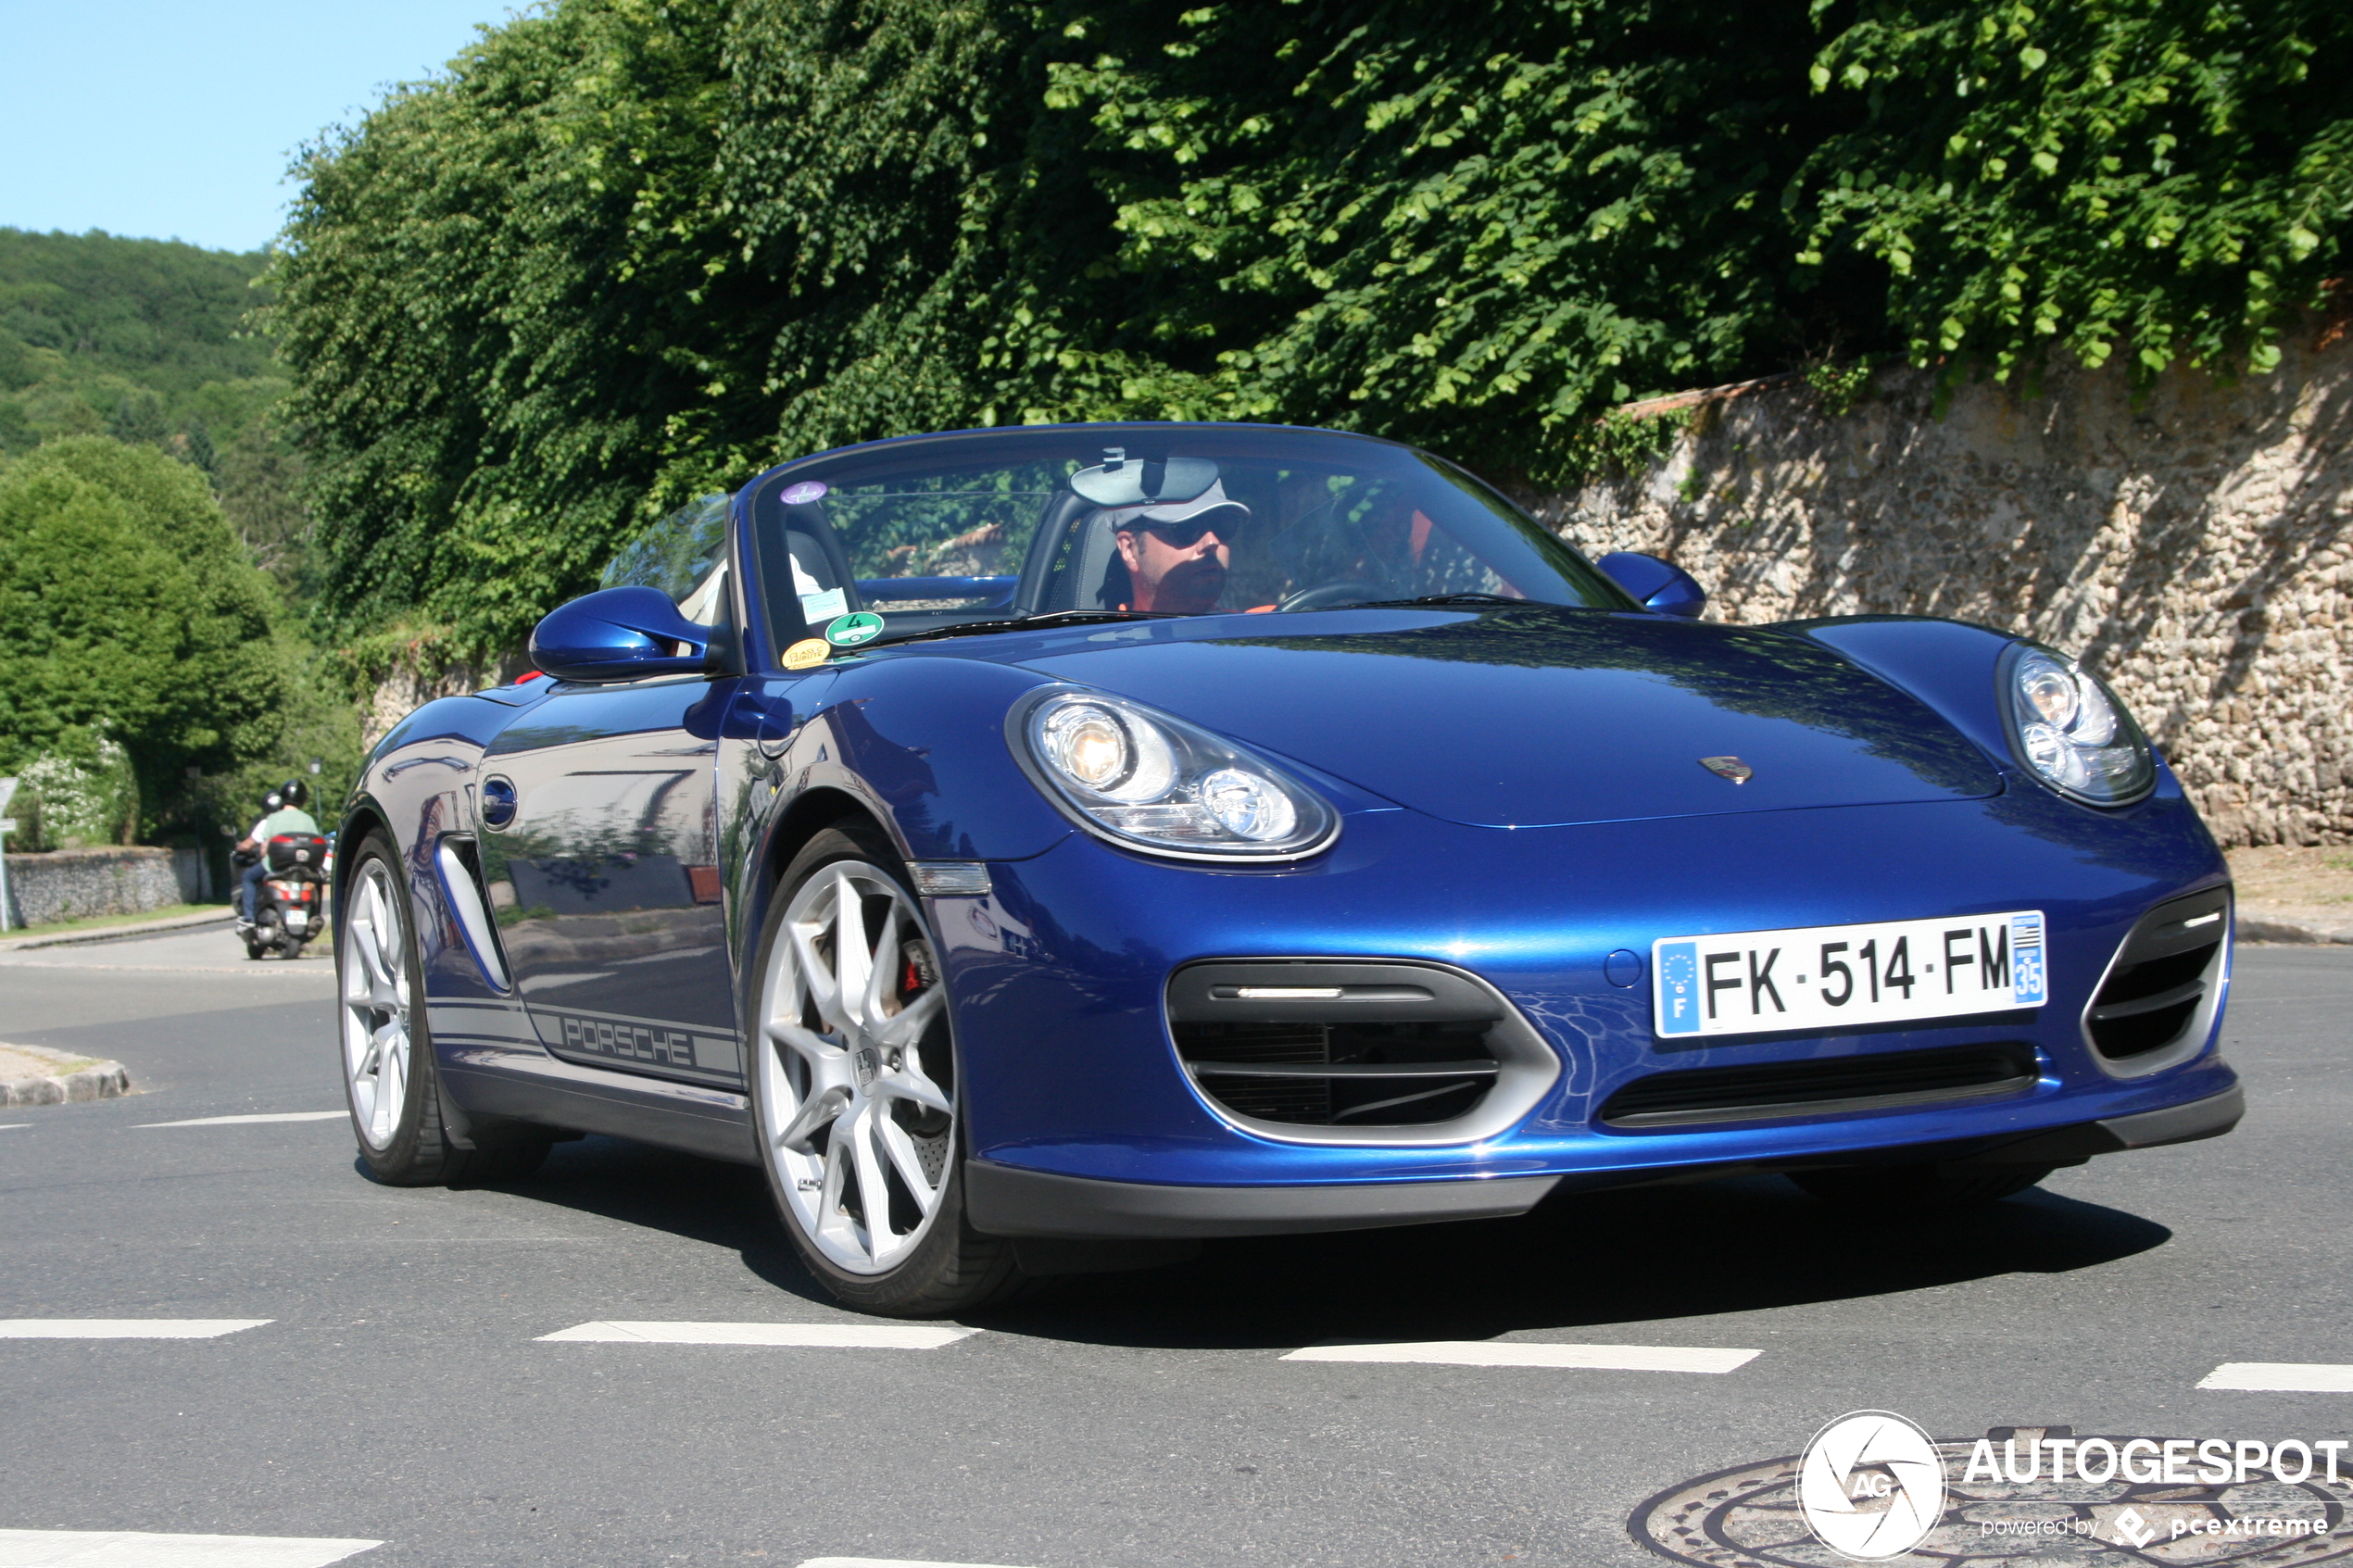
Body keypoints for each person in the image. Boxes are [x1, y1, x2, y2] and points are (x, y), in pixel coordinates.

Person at [1107, 480, 1252, 615]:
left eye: (1223, 525)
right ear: (1130, 549)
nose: (1212, 542)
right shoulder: (1104, 639)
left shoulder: (1258, 630)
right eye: (1186, 528)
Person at [236, 780, 320, 927]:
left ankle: (249, 918)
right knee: (317, 882)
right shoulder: (309, 820)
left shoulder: (273, 818)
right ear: (303, 799)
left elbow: (264, 847)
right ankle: (316, 914)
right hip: (305, 868)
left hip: (275, 867)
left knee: (248, 878)